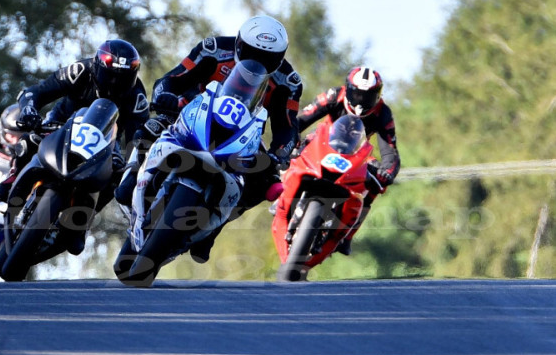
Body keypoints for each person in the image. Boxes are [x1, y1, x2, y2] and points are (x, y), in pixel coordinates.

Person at [137, 15, 302, 262]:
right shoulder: (213, 50)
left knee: (266, 182)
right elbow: (171, 79)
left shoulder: (288, 82)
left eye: (267, 58)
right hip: (191, 113)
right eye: (251, 53)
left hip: (242, 133)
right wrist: (165, 97)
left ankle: (212, 229)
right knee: (147, 131)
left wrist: (279, 153)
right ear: (238, 45)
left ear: (279, 58)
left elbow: (287, 127)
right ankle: (132, 178)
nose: (257, 62)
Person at [0, 38, 149, 249]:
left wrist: (132, 164)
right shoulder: (80, 70)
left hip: (104, 142)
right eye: (110, 76)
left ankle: (82, 221)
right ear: (97, 67)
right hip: (61, 123)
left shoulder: (137, 97)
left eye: (122, 79)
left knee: (116, 177)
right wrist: (29, 110)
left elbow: (137, 138)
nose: (114, 83)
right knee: (30, 140)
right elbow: (37, 91)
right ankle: (13, 178)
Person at [296, 65, 400, 255]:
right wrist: (288, 141)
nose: (361, 101)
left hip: (356, 153)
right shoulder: (334, 96)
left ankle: (348, 234)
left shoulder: (383, 113)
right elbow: (301, 119)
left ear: (377, 95)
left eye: (367, 96)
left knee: (375, 184)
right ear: (348, 89)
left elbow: (390, 152)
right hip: (322, 142)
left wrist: (387, 172)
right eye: (357, 94)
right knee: (301, 146)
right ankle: (283, 192)